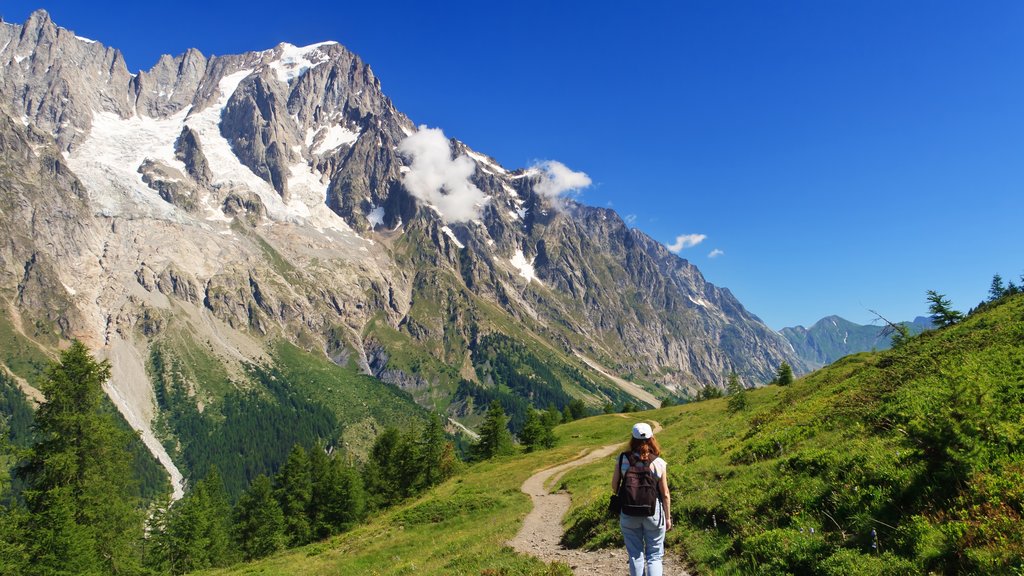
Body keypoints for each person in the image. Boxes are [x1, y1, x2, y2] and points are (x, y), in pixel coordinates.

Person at [612, 422, 671, 576]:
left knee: (635, 555)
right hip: (654, 513)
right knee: (654, 556)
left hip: (629, 512)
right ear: (652, 438)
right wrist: (668, 517)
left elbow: (614, 487)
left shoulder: (622, 459)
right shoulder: (658, 463)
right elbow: (665, 494)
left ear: (632, 438)